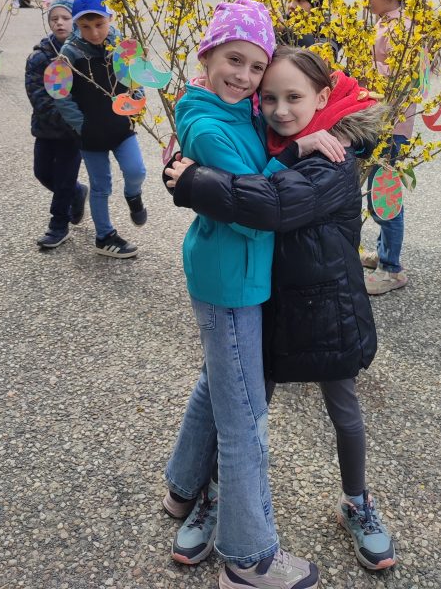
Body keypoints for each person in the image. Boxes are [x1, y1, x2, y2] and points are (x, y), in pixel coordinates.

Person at [165, 46, 396, 572]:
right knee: (243, 408)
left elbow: (270, 203)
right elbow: (244, 167)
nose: (280, 110)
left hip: (327, 309)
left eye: (294, 97)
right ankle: (214, 496)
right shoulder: (269, 137)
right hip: (269, 303)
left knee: (343, 410)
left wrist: (192, 181)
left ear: (322, 97)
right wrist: (185, 171)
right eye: (269, 98)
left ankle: (356, 502)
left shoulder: (333, 156)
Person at [160, 0, 319, 589]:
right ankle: (249, 559)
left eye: (256, 66)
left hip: (230, 274)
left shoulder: (237, 109)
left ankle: (182, 488)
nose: (246, 77)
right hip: (232, 280)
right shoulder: (208, 125)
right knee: (245, 418)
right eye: (234, 60)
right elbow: (256, 210)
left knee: (217, 384)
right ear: (207, 55)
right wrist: (300, 153)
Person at [54, 0, 147, 259]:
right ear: (76, 25)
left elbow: (136, 78)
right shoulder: (69, 54)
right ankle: (104, 236)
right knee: (101, 185)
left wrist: (136, 101)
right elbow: (60, 95)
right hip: (90, 135)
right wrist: (80, 124)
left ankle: (133, 196)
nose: (94, 33)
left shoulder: (123, 48)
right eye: (85, 26)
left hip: (121, 128)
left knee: (136, 170)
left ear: (110, 19)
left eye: (99, 24)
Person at [361, 0, 415, 295]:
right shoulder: (386, 23)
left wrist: (364, 75)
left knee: (385, 194)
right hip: (380, 122)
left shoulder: (401, 29)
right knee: (377, 190)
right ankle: (384, 254)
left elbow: (401, 80)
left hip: (392, 126)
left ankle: (392, 268)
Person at [24, 0, 87, 249]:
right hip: (46, 129)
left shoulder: (83, 55)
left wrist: (78, 122)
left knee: (63, 178)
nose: (60, 23)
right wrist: (65, 116)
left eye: (65, 18)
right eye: (54, 19)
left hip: (73, 134)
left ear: (75, 21)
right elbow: (37, 95)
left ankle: (58, 225)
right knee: (42, 173)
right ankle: (77, 192)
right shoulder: (40, 58)